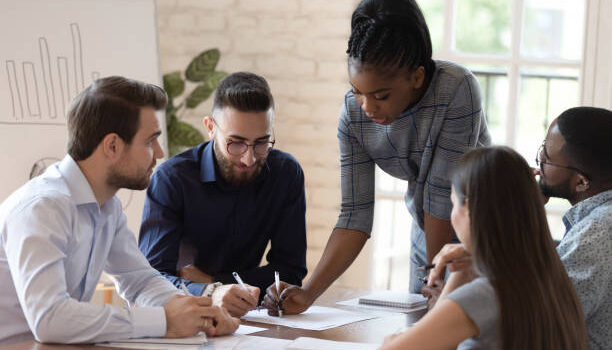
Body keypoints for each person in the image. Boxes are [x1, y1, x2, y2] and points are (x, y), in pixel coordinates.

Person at [263, 0, 490, 314]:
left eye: (381, 95)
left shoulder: (456, 89)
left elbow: (441, 197)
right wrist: (309, 293)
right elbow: (355, 215)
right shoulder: (354, 116)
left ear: (417, 77)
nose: (367, 107)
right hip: (427, 231)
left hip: (484, 230)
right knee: (423, 324)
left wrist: (434, 277)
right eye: (357, 91)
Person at [0, 76, 239, 345]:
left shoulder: (106, 206)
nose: (159, 153)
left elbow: (139, 280)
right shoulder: (42, 208)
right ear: (112, 146)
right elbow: (50, 319)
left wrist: (199, 313)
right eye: (150, 141)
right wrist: (163, 321)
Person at [380, 146, 587, 350]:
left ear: (469, 208)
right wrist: (464, 269)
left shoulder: (485, 294)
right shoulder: (553, 280)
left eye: (454, 204)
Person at [138, 72, 307, 317]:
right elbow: (151, 279)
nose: (248, 159)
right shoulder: (173, 179)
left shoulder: (286, 173)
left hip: (252, 321)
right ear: (210, 128)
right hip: (182, 318)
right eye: (235, 143)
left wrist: (213, 282)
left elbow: (290, 271)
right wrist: (210, 292)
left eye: (261, 143)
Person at [535, 107, 612, 350]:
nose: (540, 161)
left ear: (581, 181)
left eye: (547, 155)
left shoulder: (596, 232)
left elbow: (538, 323)